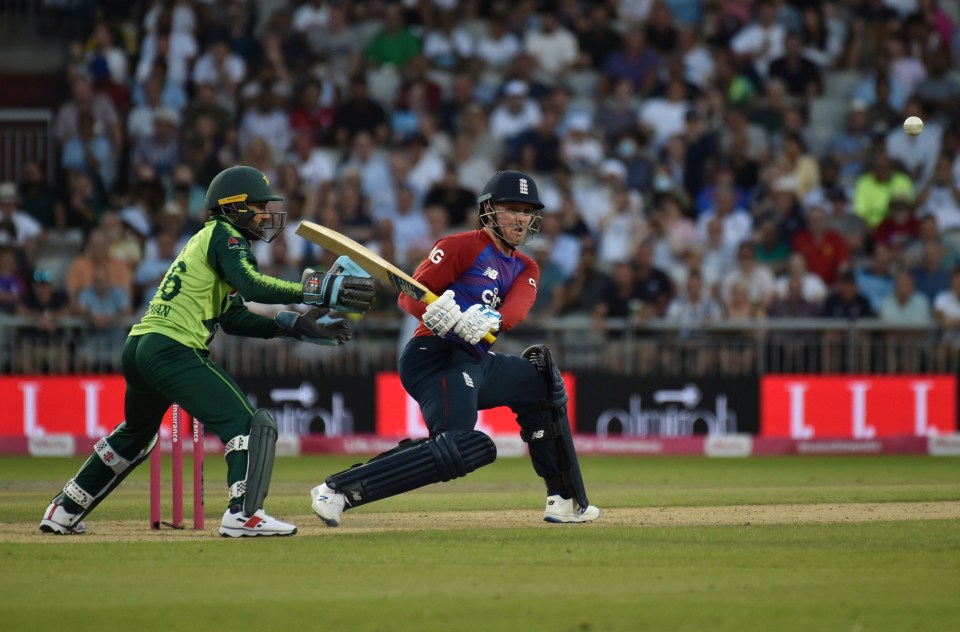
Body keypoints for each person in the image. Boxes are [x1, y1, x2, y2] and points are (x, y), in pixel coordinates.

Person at [40, 165, 377, 537]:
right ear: (234, 207)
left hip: (141, 347)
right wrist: (314, 290)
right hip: (172, 349)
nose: (267, 215)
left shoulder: (208, 241)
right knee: (249, 423)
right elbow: (253, 286)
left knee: (136, 435)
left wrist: (293, 326)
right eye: (260, 206)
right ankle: (244, 513)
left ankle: (65, 508)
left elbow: (232, 317)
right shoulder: (225, 235)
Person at [310, 171, 602, 526]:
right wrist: (440, 315)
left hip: (475, 358)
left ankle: (565, 499)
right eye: (512, 209)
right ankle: (338, 489)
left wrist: (491, 321)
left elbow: (518, 306)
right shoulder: (460, 246)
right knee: (461, 446)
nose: (521, 218)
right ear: (489, 211)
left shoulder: (526, 265)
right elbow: (409, 295)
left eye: (527, 211)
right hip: (434, 357)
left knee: (540, 380)